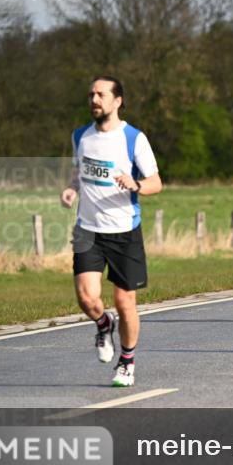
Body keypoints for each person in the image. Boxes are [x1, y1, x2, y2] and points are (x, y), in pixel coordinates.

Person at [60, 76, 162, 387]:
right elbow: (80, 171)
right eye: (91, 94)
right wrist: (71, 189)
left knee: (124, 301)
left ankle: (127, 362)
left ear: (117, 101)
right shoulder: (81, 136)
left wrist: (136, 184)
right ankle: (104, 325)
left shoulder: (134, 138)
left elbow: (156, 182)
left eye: (101, 94)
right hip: (88, 230)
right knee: (87, 298)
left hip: (123, 231)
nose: (94, 99)